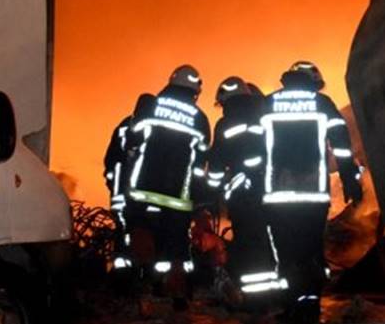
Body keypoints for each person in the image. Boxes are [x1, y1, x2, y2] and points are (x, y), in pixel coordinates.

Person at [259, 61, 365, 324]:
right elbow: (341, 145)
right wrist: (350, 179)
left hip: (277, 195)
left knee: (285, 252)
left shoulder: (269, 103)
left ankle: (289, 305)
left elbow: (256, 147)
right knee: (310, 250)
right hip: (312, 195)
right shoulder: (322, 103)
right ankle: (310, 306)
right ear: (314, 81)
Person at [123, 64, 212, 307]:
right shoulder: (199, 118)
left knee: (142, 236)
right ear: (196, 90)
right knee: (176, 246)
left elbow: (131, 142)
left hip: (143, 190)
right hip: (177, 196)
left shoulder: (151, 106)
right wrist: (201, 199)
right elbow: (201, 161)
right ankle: (178, 294)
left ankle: (144, 285)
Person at [207, 77, 285, 308]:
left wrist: (211, 197)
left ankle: (257, 301)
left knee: (251, 246)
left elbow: (216, 167)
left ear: (224, 101)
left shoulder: (225, 125)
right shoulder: (266, 117)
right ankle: (281, 295)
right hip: (274, 191)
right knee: (275, 242)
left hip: (244, 198)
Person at [103, 102, 138, 273]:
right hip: (132, 195)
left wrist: (111, 182)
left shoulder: (124, 126)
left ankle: (122, 270)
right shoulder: (148, 128)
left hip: (121, 193)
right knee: (130, 230)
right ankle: (130, 270)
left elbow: (110, 160)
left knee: (123, 231)